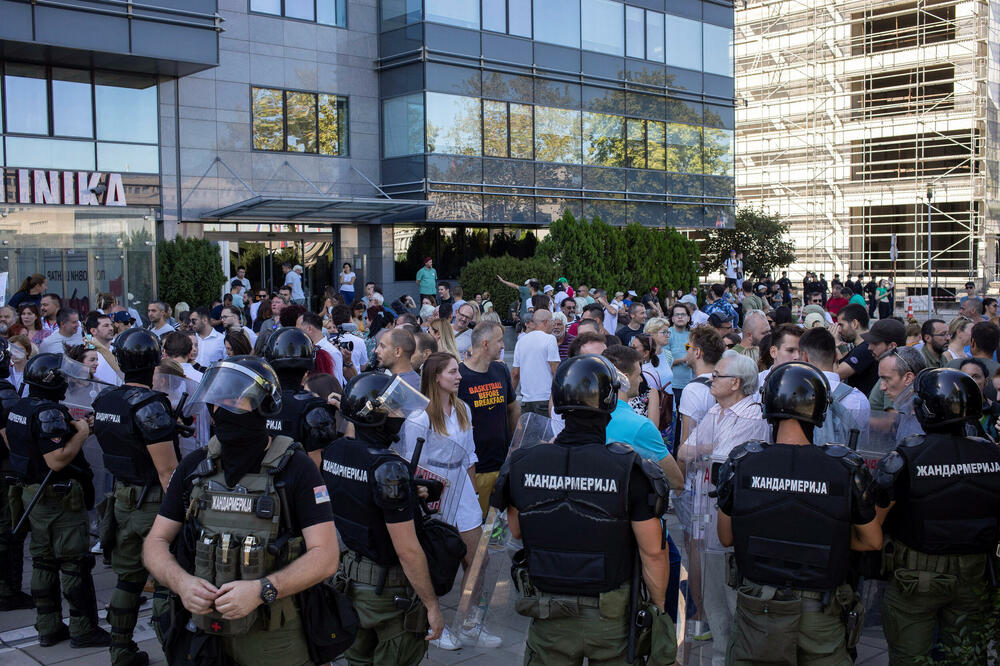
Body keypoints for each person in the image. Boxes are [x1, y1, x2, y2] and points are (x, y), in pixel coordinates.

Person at [143, 356, 339, 665]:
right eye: (219, 400)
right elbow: (155, 543)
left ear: (263, 406)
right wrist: (182, 583)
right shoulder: (196, 466)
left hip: (274, 639)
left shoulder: (295, 468)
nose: (224, 409)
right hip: (206, 634)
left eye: (238, 400)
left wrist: (263, 590)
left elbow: (326, 557)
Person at [491, 354, 676, 666]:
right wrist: (656, 610)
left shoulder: (522, 464)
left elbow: (516, 530)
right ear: (609, 401)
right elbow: (653, 553)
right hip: (611, 617)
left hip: (548, 612)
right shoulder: (631, 470)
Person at [716, 362, 882, 665]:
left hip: (759, 610)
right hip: (821, 611)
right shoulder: (845, 467)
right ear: (820, 409)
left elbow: (725, 537)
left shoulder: (741, 463)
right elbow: (872, 541)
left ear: (767, 404)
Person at [874, 368, 1000, 663]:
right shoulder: (992, 457)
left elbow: (873, 523)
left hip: (914, 578)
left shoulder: (903, 459)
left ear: (923, 411)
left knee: (910, 658)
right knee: (967, 657)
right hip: (975, 575)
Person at [320, 372, 444, 663]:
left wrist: (410, 493)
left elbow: (359, 497)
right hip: (388, 591)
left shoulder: (335, 451)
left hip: (349, 578)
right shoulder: (388, 468)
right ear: (375, 416)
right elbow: (408, 550)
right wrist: (432, 605)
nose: (400, 415)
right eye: (394, 410)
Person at [6, 353, 110, 648]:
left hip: (32, 494)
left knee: (43, 561)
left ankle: (48, 626)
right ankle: (83, 628)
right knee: (74, 563)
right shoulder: (48, 413)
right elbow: (57, 459)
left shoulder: (20, 406)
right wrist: (82, 432)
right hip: (58, 498)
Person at [92, 329, 179, 666]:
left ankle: (120, 650)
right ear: (155, 360)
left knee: (128, 578)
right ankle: (173, 650)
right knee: (164, 582)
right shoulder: (151, 406)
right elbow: (168, 471)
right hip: (153, 502)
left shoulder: (106, 401)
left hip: (122, 500)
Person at [677, 350, 769, 665]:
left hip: (731, 524)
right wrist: (706, 447)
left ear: (735, 384)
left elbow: (725, 461)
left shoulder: (754, 416)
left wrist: (704, 449)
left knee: (731, 596)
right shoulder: (716, 412)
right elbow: (683, 450)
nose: (710, 380)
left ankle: (736, 655)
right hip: (706, 514)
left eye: (716, 375)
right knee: (713, 594)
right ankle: (720, 654)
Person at [458, 321, 519, 519]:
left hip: (502, 465)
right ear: (485, 344)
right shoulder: (459, 377)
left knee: (500, 530)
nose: (503, 345)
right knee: (478, 524)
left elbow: (512, 408)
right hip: (476, 469)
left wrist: (514, 444)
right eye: (499, 341)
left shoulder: (500, 370)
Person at [261, 327, 339, 468]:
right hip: (298, 486)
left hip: (260, 484)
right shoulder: (314, 408)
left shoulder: (257, 401)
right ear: (307, 369)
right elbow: (317, 464)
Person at [0, 339, 32, 611]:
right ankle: (7, 591)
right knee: (9, 530)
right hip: (5, 471)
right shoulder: (5, 392)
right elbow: (11, 437)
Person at [679, 325, 725, 446]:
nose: (686, 350)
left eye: (688, 347)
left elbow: (687, 441)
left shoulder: (692, 390)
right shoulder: (728, 382)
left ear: (697, 352)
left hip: (700, 460)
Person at [512, 308, 560, 416]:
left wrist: (509, 398)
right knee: (547, 432)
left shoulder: (521, 341)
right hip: (546, 399)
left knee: (530, 432)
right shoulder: (550, 339)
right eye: (552, 321)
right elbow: (555, 370)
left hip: (526, 400)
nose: (554, 324)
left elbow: (515, 374)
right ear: (545, 322)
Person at [836, 305, 885, 396]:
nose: (839, 330)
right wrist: (838, 344)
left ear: (854, 323)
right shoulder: (862, 346)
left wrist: (831, 345)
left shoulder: (865, 348)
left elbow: (836, 374)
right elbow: (846, 358)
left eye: (841, 325)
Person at [628, 334, 662, 430]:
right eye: (630, 347)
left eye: (633, 348)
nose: (629, 350)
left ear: (645, 353)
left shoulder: (645, 373)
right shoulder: (651, 369)